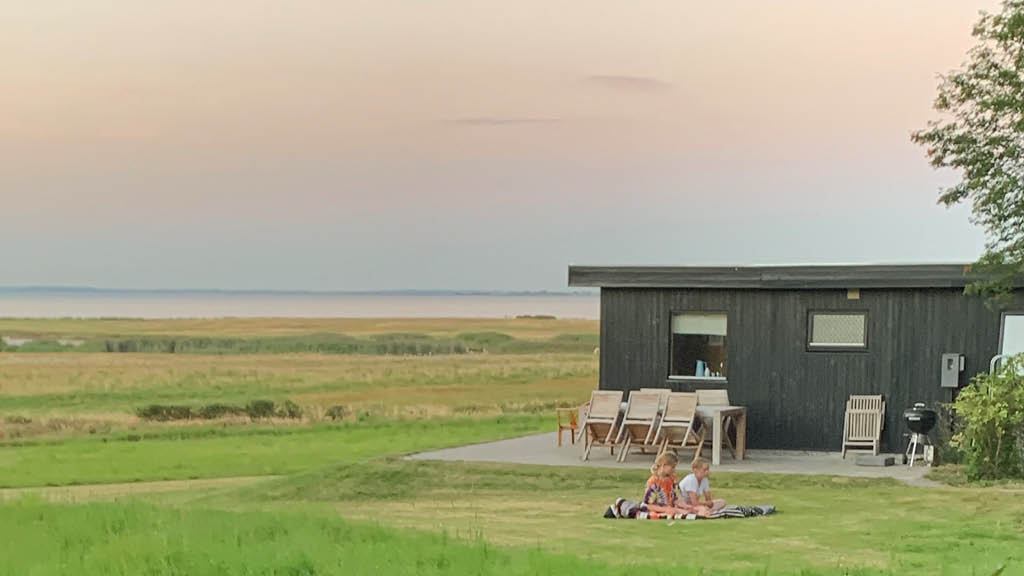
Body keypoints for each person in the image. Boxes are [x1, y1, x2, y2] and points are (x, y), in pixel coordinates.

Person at [643, 452, 710, 519]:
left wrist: (686, 506)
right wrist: (666, 509)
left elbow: (675, 499)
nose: (674, 470)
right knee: (684, 512)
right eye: (672, 467)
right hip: (660, 510)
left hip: (672, 509)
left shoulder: (672, 480)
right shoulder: (653, 482)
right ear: (664, 465)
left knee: (697, 509)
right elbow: (649, 505)